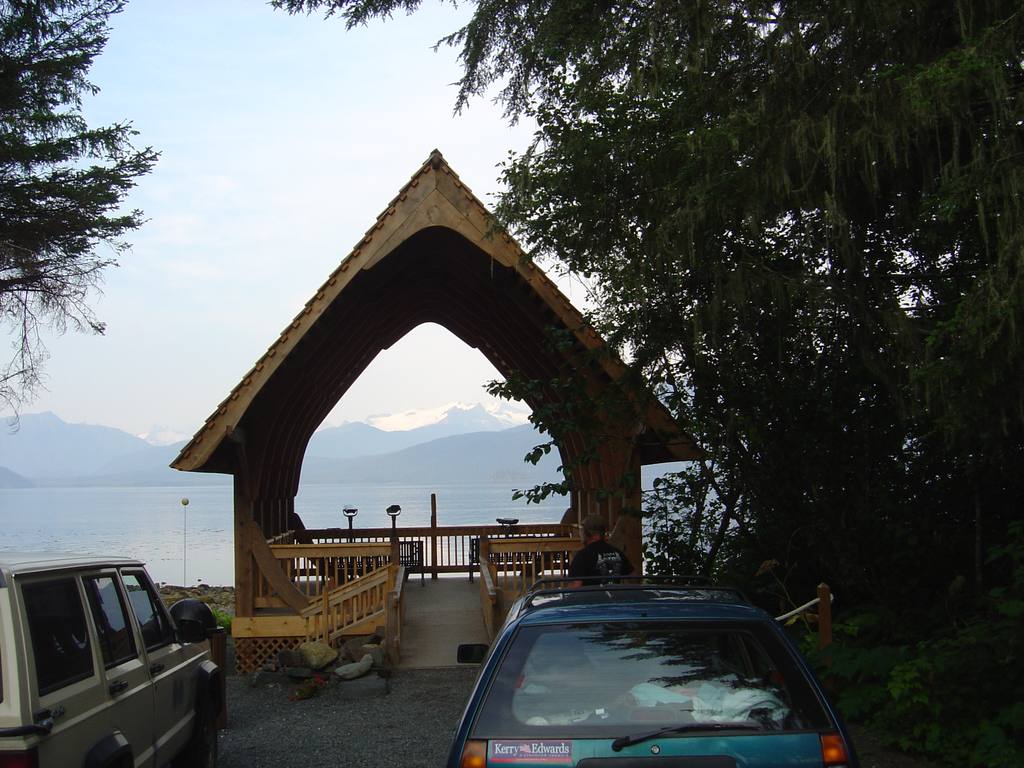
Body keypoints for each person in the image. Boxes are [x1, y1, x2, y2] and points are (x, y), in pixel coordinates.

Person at [567, 513, 634, 587]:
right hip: (614, 597)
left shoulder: (582, 556)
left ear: (586, 533)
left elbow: (575, 587)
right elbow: (633, 578)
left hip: (591, 598)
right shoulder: (617, 553)